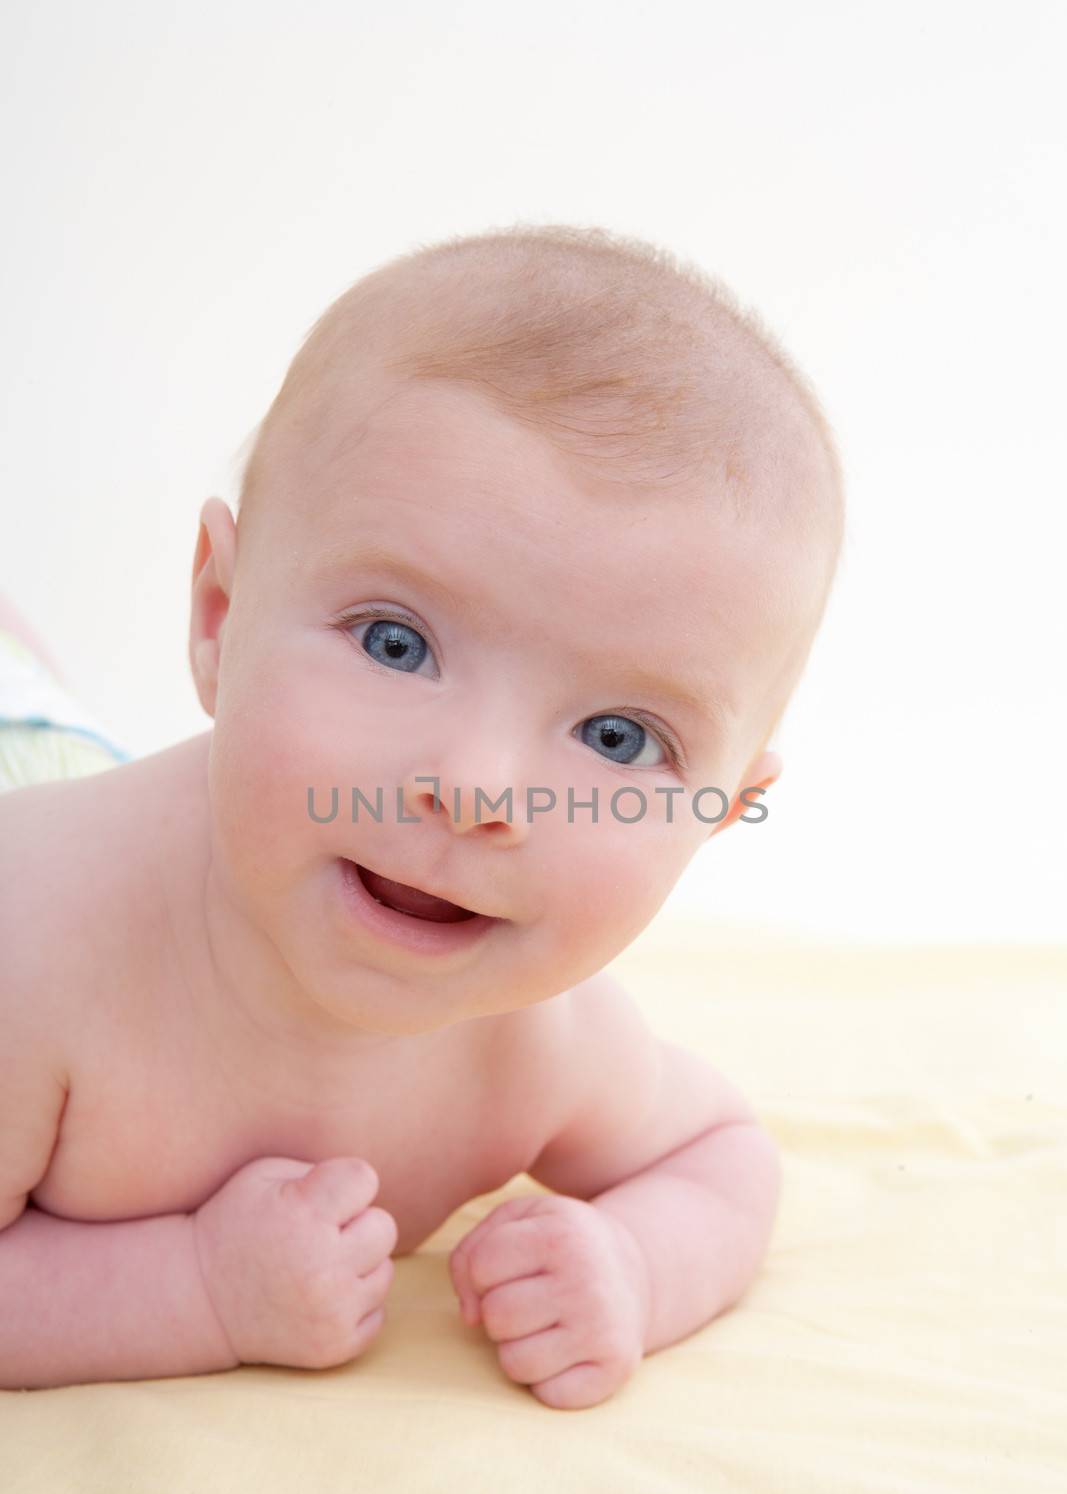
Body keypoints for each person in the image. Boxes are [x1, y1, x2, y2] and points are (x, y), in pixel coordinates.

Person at [0, 222, 844, 1405]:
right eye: (396, 644)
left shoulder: (544, 1047)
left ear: (718, 809)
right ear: (218, 616)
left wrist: (633, 1266)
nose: (481, 789)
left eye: (616, 738)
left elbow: (717, 1158)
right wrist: (193, 1285)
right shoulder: (36, 959)